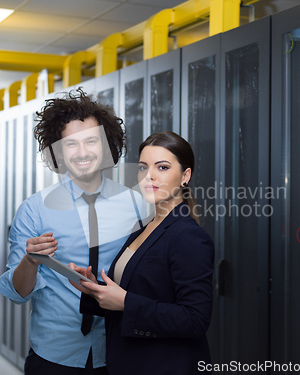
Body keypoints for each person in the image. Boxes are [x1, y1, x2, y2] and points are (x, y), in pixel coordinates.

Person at [0, 88, 145, 375]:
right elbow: (16, 293)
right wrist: (31, 261)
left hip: (119, 351)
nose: (83, 152)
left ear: (106, 144)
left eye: (91, 141)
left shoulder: (135, 205)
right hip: (54, 354)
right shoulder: (35, 209)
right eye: (70, 144)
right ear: (58, 151)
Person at [69, 131, 215, 375]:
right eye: (143, 167)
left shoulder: (188, 236)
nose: (149, 176)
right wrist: (96, 290)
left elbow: (195, 319)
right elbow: (137, 293)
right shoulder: (143, 227)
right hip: (129, 361)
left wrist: (126, 302)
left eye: (163, 167)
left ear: (185, 176)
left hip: (164, 365)